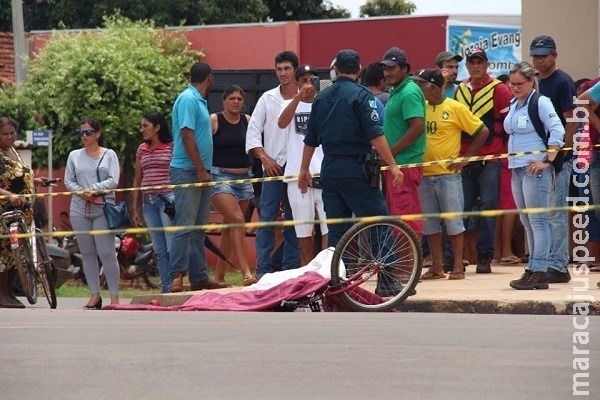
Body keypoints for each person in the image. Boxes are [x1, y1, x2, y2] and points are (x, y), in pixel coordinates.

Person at [298, 49, 404, 296]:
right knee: (378, 220)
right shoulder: (362, 96)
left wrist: (304, 170)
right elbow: (375, 135)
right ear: (358, 70)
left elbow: (310, 140)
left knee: (338, 228)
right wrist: (393, 165)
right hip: (356, 168)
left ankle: (339, 283)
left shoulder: (321, 98)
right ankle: (388, 280)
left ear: (335, 70)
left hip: (330, 170)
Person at [413, 68, 490, 280]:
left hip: (448, 176)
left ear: (434, 87)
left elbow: (482, 131)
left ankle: (458, 265)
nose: (418, 88)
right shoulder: (421, 108)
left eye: (421, 84)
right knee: (431, 225)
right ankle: (436, 266)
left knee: (454, 223)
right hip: (425, 175)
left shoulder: (454, 107)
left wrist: (466, 158)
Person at [168, 61, 229, 293]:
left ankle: (199, 276)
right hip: (188, 170)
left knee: (198, 228)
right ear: (210, 78)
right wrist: (201, 169)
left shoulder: (200, 101)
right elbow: (186, 136)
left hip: (202, 171)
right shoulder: (188, 99)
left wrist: (205, 170)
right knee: (185, 224)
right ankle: (177, 276)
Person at [504, 61, 565, 290]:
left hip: (534, 170)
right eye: (513, 84)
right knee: (527, 222)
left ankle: (539, 270)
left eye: (520, 84)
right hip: (517, 168)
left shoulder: (540, 102)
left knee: (538, 222)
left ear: (531, 81)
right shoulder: (514, 103)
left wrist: (547, 161)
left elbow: (557, 130)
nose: (516, 87)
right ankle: (533, 268)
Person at [453, 47, 513, 274]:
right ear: (467, 66)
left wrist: (503, 153)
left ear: (487, 65)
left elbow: (509, 124)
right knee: (462, 208)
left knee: (488, 208)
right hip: (465, 159)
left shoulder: (499, 89)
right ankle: (455, 259)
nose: (476, 66)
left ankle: (485, 256)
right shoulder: (459, 90)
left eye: (480, 62)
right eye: (472, 62)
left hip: (491, 158)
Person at [245, 51, 300, 278]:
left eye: (287, 68)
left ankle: (290, 268)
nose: (283, 73)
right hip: (273, 166)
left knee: (295, 218)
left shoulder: (308, 97)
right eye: (279, 69)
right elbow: (253, 133)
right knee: (266, 218)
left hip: (298, 167)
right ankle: (263, 270)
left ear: (295, 69)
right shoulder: (267, 98)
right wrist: (265, 159)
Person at [530, 35, 577, 284]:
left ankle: (558, 265)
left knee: (555, 214)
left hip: (558, 160)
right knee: (542, 214)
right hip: (540, 158)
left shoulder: (563, 82)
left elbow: (571, 120)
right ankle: (546, 260)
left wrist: (560, 153)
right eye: (536, 56)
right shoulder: (535, 83)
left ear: (554, 55)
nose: (539, 60)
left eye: (544, 55)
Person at [64, 117, 121, 308]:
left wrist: (94, 188)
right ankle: (94, 294)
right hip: (79, 208)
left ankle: (114, 297)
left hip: (103, 206)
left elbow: (113, 180)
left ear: (98, 133)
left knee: (106, 252)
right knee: (87, 253)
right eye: (81, 132)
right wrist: (81, 192)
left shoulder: (109, 155)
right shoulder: (74, 155)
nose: (84, 136)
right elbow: (68, 180)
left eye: (88, 132)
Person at [278, 64, 328, 267]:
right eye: (304, 80)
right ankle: (308, 272)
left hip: (323, 174)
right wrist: (298, 97)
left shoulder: (325, 104)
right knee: (303, 230)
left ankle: (327, 270)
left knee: (329, 227)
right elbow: (282, 123)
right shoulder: (288, 104)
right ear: (297, 83)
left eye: (312, 80)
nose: (308, 84)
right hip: (296, 177)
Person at [0, 117, 49, 308]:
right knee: (5, 252)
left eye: (12, 133)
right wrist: (10, 195)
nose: (9, 137)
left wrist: (36, 182)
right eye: (4, 134)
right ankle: (1, 293)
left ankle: (9, 292)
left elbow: (19, 176)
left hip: (22, 209)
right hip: (5, 209)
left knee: (18, 254)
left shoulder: (13, 152)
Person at [210, 85, 256, 286]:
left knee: (230, 227)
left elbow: (256, 144)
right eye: (232, 98)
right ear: (224, 101)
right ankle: (247, 272)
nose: (236, 102)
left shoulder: (247, 121)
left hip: (244, 177)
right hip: (220, 176)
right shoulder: (214, 120)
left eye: (239, 98)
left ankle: (219, 276)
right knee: (237, 220)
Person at [380, 46, 426, 240]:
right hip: (396, 164)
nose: (387, 72)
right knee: (398, 219)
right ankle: (405, 269)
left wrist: (388, 154)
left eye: (392, 68)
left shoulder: (409, 92)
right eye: (385, 68)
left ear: (405, 69)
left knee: (406, 221)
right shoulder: (396, 91)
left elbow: (417, 127)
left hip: (404, 164)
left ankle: (408, 270)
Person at [131, 111, 175, 294]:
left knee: (171, 244)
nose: (142, 130)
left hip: (167, 199)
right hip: (148, 203)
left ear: (157, 127)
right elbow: (137, 179)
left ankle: (175, 284)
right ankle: (166, 287)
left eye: (145, 126)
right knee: (159, 248)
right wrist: (135, 207)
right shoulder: (141, 149)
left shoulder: (171, 147)